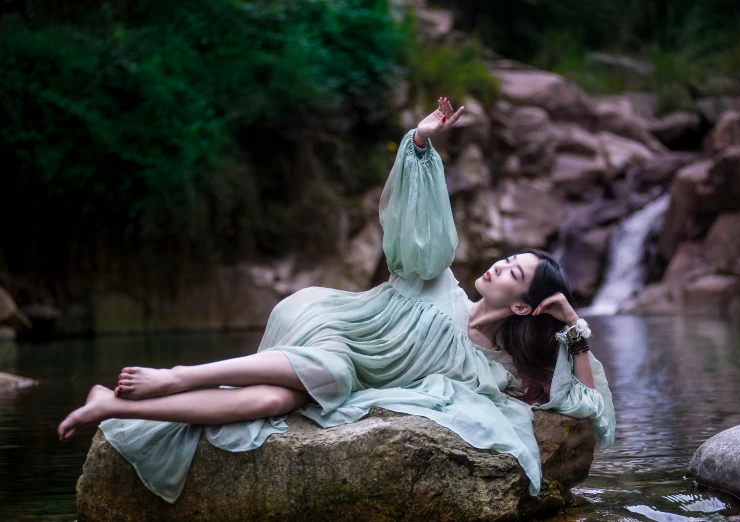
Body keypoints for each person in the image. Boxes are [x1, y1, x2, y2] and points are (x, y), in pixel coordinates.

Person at [58, 97, 614, 504]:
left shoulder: (494, 368)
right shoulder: (434, 276)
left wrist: (572, 323)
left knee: (272, 406)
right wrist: (418, 143)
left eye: (513, 270)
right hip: (328, 325)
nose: (498, 264)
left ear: (523, 306)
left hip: (339, 376)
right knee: (330, 370)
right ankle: (178, 375)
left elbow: (588, 410)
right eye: (507, 258)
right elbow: (414, 218)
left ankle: (114, 406)